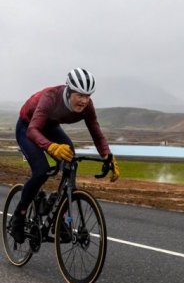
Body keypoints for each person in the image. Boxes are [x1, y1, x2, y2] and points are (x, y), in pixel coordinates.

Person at [10, 68, 120, 244]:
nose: (84, 100)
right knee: (41, 170)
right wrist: (51, 147)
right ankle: (19, 216)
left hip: (50, 126)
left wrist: (107, 156)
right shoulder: (50, 97)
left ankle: (59, 209)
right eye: (80, 95)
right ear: (68, 91)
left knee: (71, 158)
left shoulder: (87, 107)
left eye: (88, 95)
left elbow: (96, 132)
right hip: (27, 127)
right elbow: (33, 130)